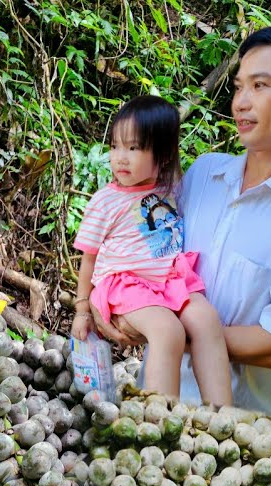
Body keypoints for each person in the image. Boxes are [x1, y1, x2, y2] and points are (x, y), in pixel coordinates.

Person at [92, 26, 271, 423]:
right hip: (150, 409)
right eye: (239, 87)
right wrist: (114, 304)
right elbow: (146, 252)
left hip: (238, 443)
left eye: (260, 86)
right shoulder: (203, 175)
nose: (241, 102)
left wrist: (166, 329)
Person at [70, 96, 233, 408]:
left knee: (207, 320)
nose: (121, 157)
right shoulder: (105, 201)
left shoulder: (170, 187)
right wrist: (81, 309)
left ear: (162, 155)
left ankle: (222, 415)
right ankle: (159, 422)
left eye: (134, 148)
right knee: (167, 331)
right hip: (127, 285)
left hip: (170, 281)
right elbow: (88, 258)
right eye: (116, 146)